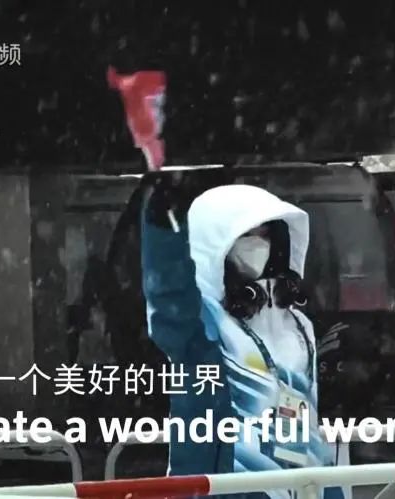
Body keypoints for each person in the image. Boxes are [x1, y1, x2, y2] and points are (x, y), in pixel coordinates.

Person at [141, 176, 344, 499]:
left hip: (303, 486)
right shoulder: (204, 323)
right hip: (227, 488)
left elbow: (312, 418)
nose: (258, 244)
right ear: (214, 245)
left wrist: (331, 489)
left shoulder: (298, 323)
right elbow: (167, 297)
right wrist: (161, 223)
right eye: (246, 235)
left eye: (265, 234)